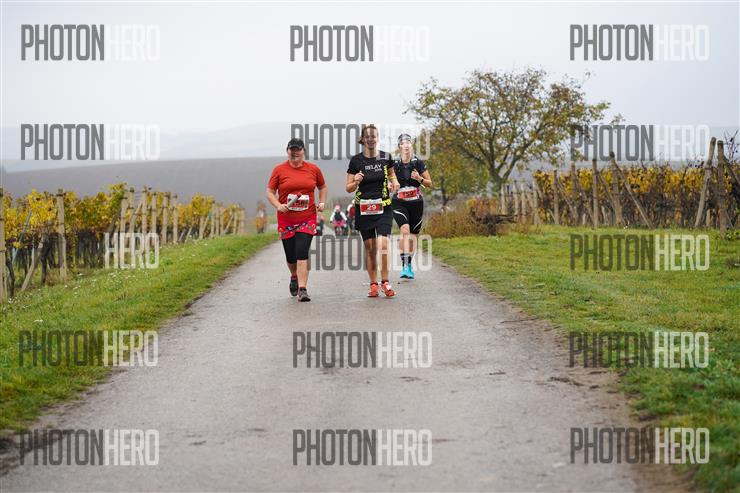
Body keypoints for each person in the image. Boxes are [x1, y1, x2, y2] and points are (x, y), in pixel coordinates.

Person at [267, 138, 327, 301]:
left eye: (298, 149)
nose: (294, 152)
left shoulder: (313, 169)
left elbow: (322, 186)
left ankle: (302, 289)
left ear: (303, 151)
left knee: (302, 252)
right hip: (286, 219)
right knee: (291, 256)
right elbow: (270, 191)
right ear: (287, 152)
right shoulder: (279, 170)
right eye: (291, 150)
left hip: (307, 217)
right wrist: (278, 205)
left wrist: (321, 202)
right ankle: (294, 275)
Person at [346, 124, 400, 297]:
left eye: (373, 136)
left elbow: (392, 175)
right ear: (363, 139)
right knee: (370, 248)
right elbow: (348, 188)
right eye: (367, 137)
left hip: (383, 206)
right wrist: (356, 180)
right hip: (364, 208)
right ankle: (373, 284)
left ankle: (386, 282)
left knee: (383, 244)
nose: (371, 139)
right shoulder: (356, 161)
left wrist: (395, 183)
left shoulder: (386, 157)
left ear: (377, 138)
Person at [392, 133, 432, 279]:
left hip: (416, 203)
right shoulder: (394, 164)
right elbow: (388, 182)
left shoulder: (418, 163)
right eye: (403, 143)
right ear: (399, 147)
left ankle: (408, 265)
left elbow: (429, 183)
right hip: (399, 202)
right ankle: (404, 265)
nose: (406, 145)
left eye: (408, 142)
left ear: (411, 145)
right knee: (404, 231)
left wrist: (419, 178)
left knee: (413, 236)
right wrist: (390, 184)